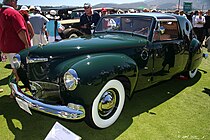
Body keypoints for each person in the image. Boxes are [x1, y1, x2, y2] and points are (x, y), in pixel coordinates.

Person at [0, 0, 31, 95]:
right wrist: (27, 45)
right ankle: (14, 91)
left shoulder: (1, 13)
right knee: (18, 70)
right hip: (17, 47)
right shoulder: (13, 13)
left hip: (6, 46)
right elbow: (21, 30)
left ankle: (15, 90)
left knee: (15, 69)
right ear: (12, 1)